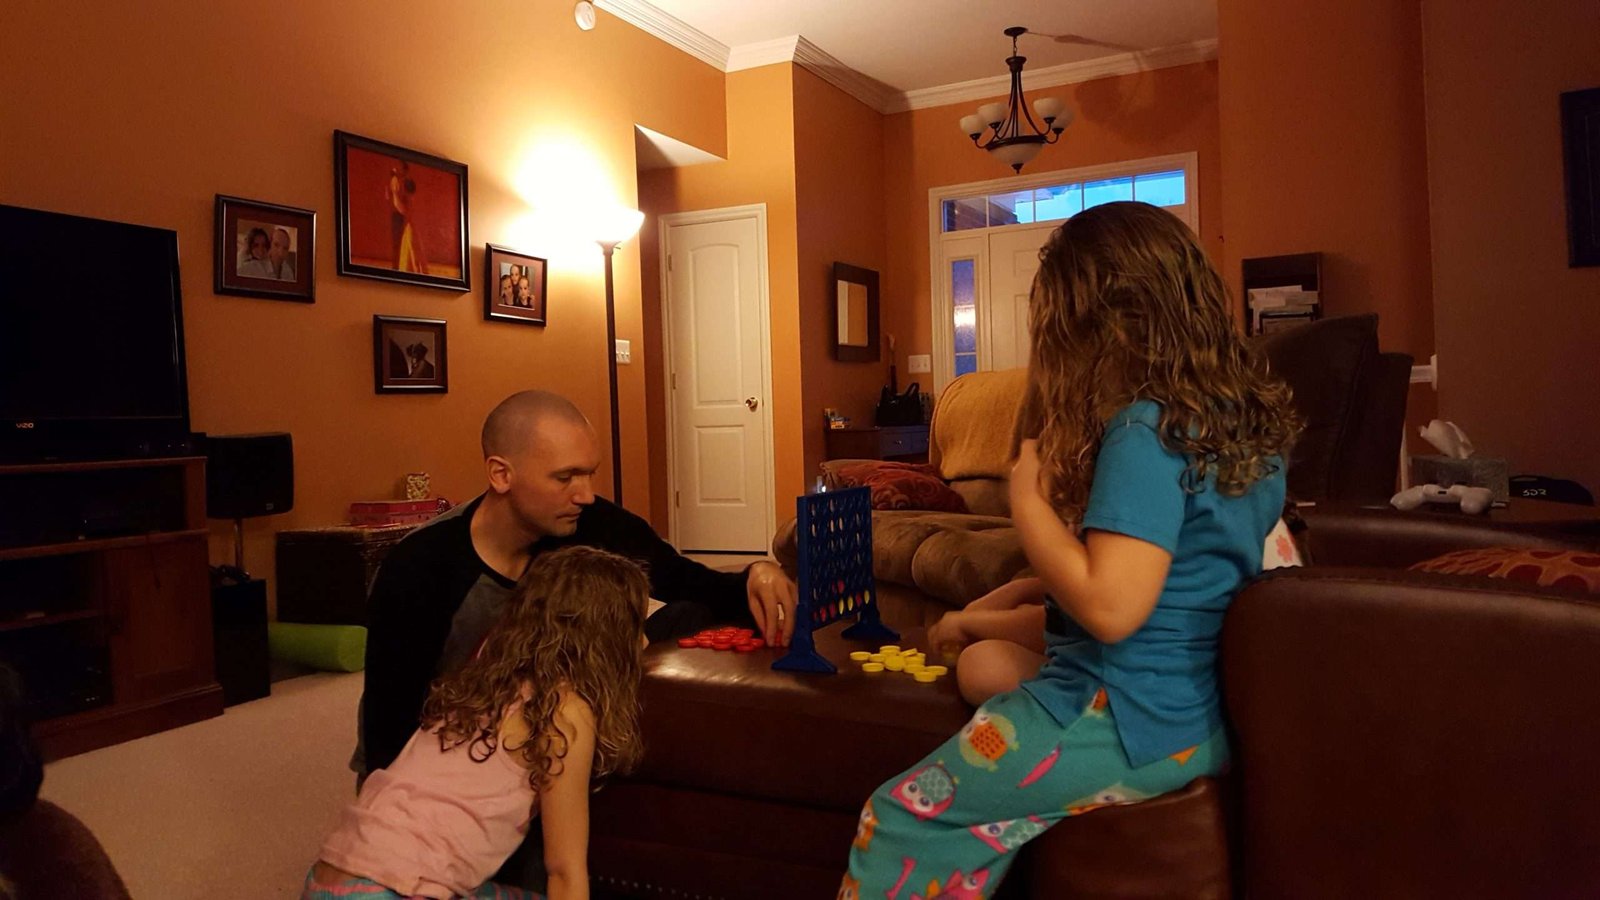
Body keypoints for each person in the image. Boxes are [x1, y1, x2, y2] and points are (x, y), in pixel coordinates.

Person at [840, 201, 1301, 897]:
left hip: (1122, 717)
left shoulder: (1143, 433)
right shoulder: (1237, 427)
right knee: (986, 674)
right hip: (1192, 716)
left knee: (900, 818)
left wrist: (1028, 503)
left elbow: (1111, 610)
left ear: (1100, 330)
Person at [355, 390, 796, 783]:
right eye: (565, 478)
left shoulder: (593, 523)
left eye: (589, 474)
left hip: (547, 731)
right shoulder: (420, 566)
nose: (585, 494)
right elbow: (388, 728)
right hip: (449, 767)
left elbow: (688, 581)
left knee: (687, 619)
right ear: (501, 474)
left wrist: (757, 574)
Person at [306, 546, 649, 900]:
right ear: (605, 637)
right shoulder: (566, 713)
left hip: (326, 879)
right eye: (636, 626)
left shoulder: (484, 681)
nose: (645, 641)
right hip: (394, 890)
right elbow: (564, 869)